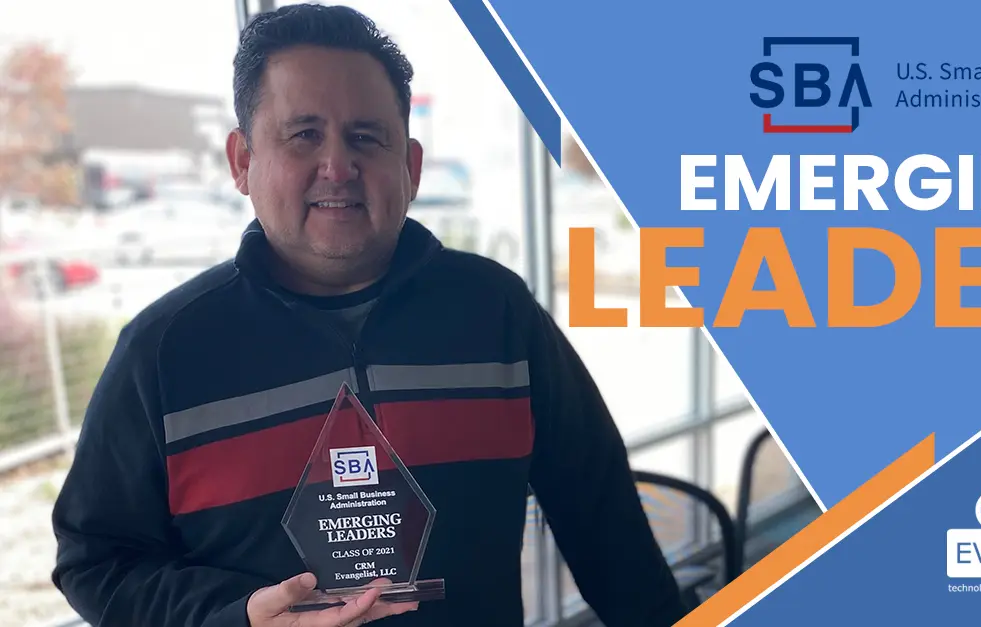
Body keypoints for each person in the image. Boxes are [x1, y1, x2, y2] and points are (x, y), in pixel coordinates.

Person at [50, 4, 687, 627]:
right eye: (303, 135)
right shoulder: (165, 353)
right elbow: (96, 563)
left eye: (366, 137)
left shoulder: (497, 314)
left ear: (408, 167)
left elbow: (605, 524)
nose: (338, 166)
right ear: (242, 161)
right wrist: (229, 617)